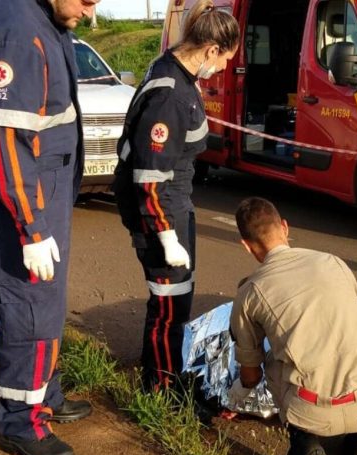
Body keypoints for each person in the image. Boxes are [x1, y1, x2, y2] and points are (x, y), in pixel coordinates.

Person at [0, 0, 100, 455]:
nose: (91, 10)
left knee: (47, 302)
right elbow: (6, 141)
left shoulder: (41, 18)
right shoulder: (16, 31)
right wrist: (31, 228)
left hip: (41, 190)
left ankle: (46, 395)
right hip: (19, 199)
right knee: (28, 312)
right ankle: (22, 420)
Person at [228, 197, 357, 455]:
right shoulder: (331, 261)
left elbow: (251, 375)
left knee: (271, 360)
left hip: (308, 412)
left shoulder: (248, 294)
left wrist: (237, 396)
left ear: (246, 245)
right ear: (285, 228)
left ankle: (304, 442)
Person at [112, 0, 239, 392]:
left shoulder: (177, 73)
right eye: (223, 62)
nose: (220, 70)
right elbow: (149, 176)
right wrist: (166, 236)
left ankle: (167, 373)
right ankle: (161, 386)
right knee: (169, 305)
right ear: (211, 50)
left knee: (177, 300)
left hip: (175, 206)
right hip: (160, 213)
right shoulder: (170, 94)